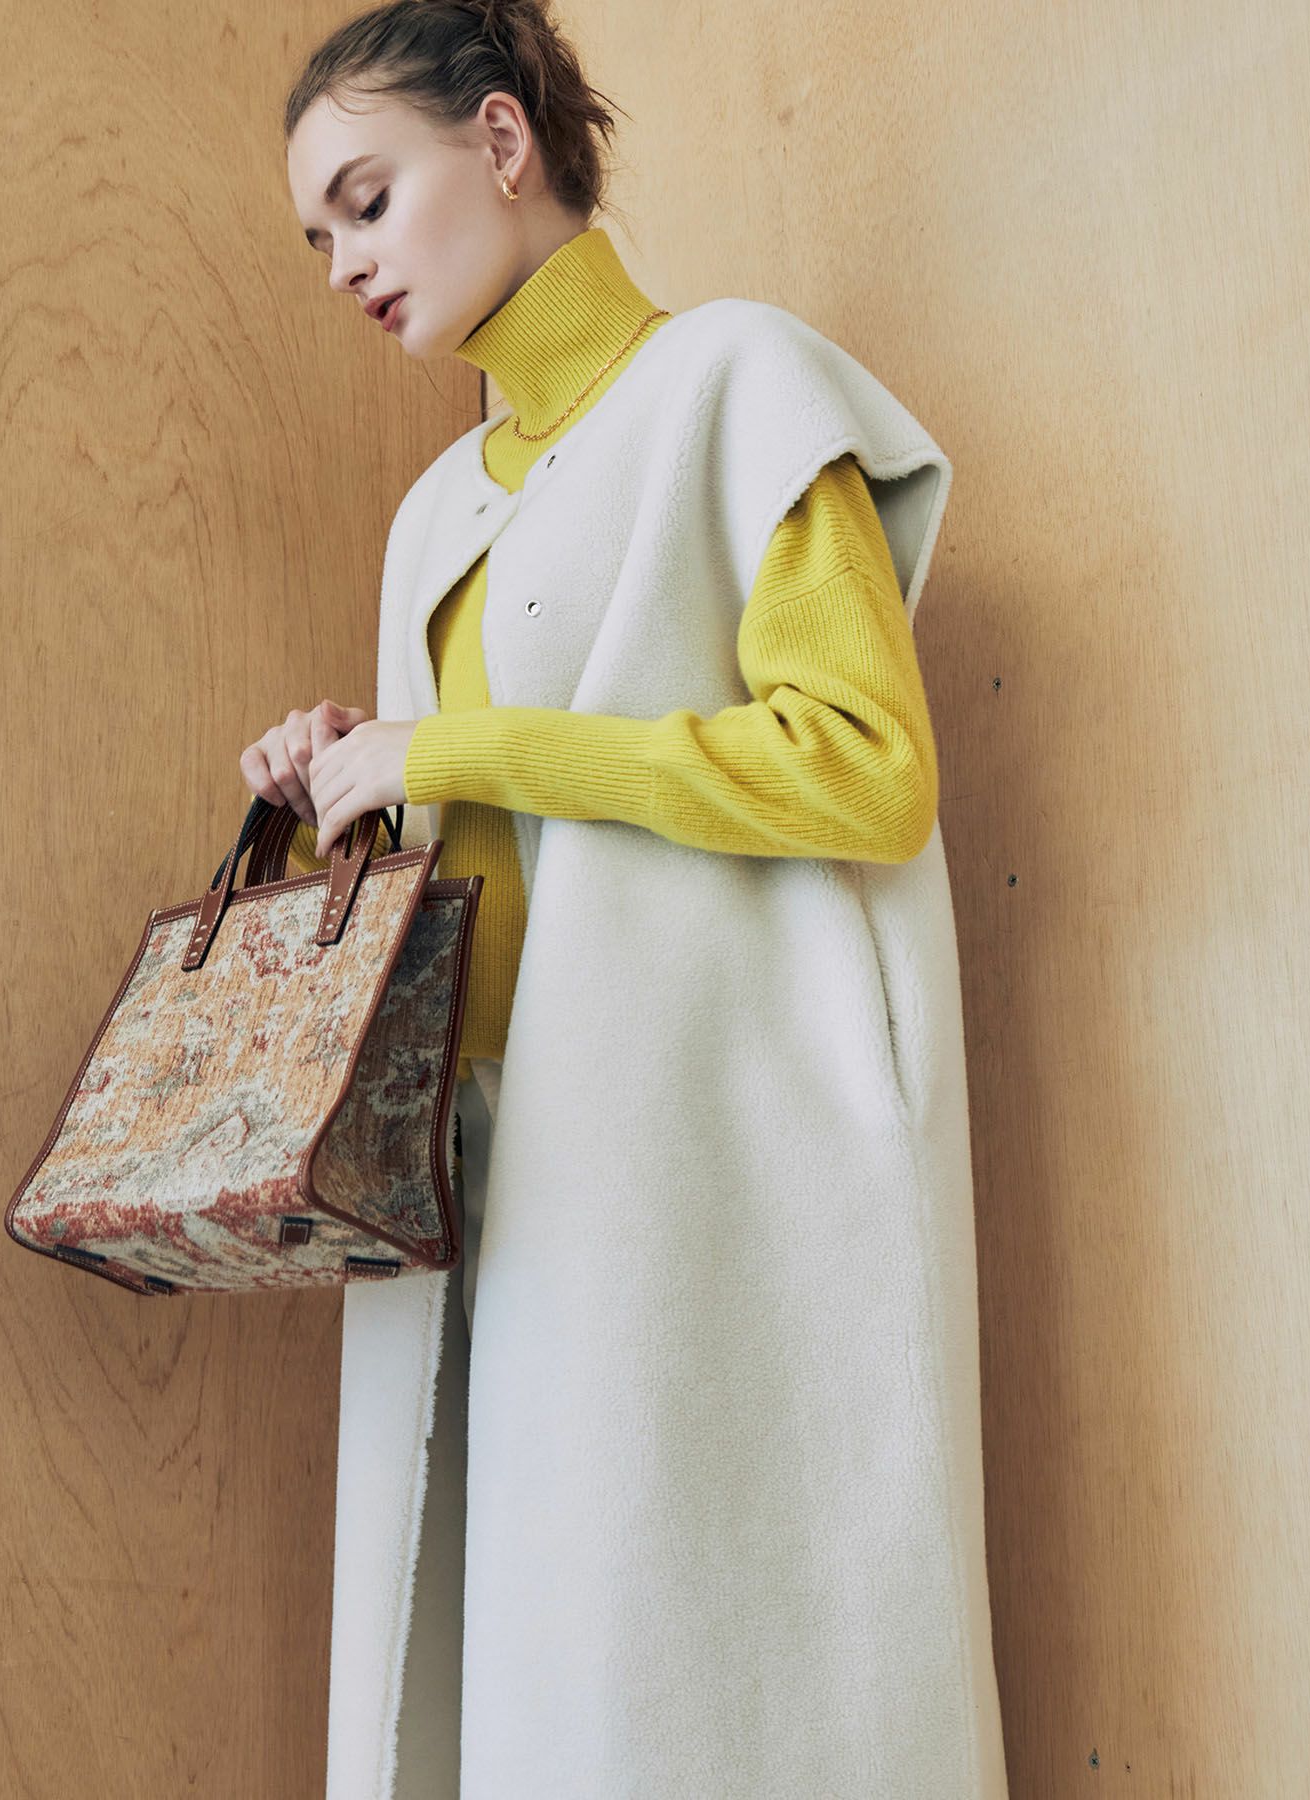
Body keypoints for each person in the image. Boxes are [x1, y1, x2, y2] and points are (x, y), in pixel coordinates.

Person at [243, 3, 1010, 1796]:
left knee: (731, 1678)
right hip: (503, 1171)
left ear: (503, 141)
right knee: (545, 1705)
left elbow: (866, 770)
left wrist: (467, 746)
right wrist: (356, 779)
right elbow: (496, 851)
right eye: (317, 238)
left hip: (714, 1157)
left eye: (367, 201)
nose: (344, 265)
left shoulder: (732, 385)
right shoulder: (434, 515)